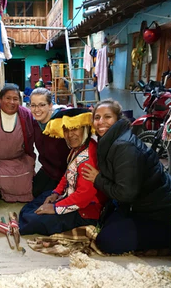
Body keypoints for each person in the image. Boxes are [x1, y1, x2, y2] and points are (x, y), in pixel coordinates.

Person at [82, 98, 171, 254]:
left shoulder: (124, 146)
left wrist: (97, 179)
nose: (101, 121)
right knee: (104, 218)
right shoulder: (110, 140)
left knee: (107, 241)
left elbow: (126, 193)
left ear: (117, 119)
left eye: (107, 117)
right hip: (136, 204)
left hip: (157, 210)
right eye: (97, 117)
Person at [19, 108, 107, 236]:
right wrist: (56, 193)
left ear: (85, 129)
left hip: (85, 210)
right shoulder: (78, 148)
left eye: (75, 129)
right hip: (70, 196)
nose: (70, 135)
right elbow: (67, 175)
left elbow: (83, 197)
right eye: (66, 130)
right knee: (39, 202)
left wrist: (55, 208)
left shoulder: (88, 157)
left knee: (33, 220)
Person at [29, 87, 70, 197]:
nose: (37, 109)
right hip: (48, 170)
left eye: (42, 105)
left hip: (66, 174)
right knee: (33, 194)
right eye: (33, 105)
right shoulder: (35, 124)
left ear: (50, 105)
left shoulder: (63, 122)